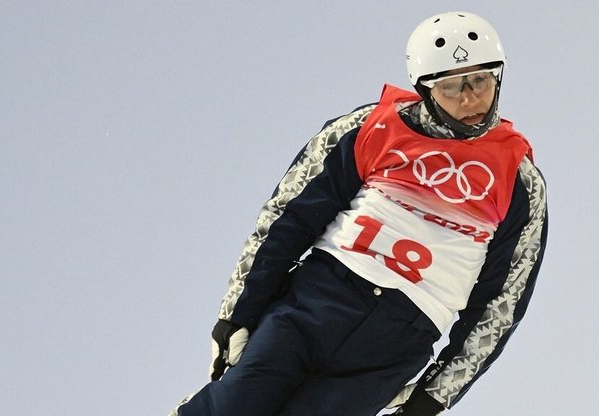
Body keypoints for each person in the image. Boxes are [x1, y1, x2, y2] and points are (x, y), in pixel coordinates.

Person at [170, 10, 548, 416]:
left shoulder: (521, 184)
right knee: (233, 404)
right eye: (452, 87)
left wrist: (435, 394)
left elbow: (501, 303)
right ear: (425, 89)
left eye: (481, 80)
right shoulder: (369, 127)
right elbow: (288, 217)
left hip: (396, 339)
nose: (470, 98)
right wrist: (237, 313)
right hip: (318, 300)